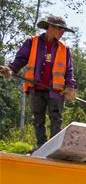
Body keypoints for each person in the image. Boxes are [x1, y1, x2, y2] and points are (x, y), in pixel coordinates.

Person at [1, 16, 78, 147]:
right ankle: (42, 148)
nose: (62, 32)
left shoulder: (64, 49)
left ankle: (54, 149)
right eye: (60, 29)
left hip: (55, 91)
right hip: (35, 88)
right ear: (50, 27)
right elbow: (20, 60)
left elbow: (68, 70)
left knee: (56, 119)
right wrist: (10, 69)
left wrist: (70, 86)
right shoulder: (32, 42)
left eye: (64, 30)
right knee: (38, 119)